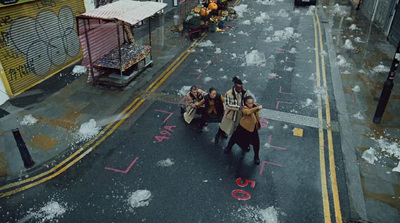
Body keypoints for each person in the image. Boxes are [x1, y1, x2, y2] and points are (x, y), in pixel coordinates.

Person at [224, 96, 262, 165]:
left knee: (256, 143)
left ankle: (256, 156)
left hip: (253, 129)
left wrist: (258, 124)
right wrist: (257, 108)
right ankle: (229, 147)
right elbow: (248, 112)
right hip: (243, 127)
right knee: (234, 137)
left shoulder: (254, 107)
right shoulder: (245, 108)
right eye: (249, 103)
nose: (251, 105)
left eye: (252, 103)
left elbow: (256, 116)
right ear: (246, 103)